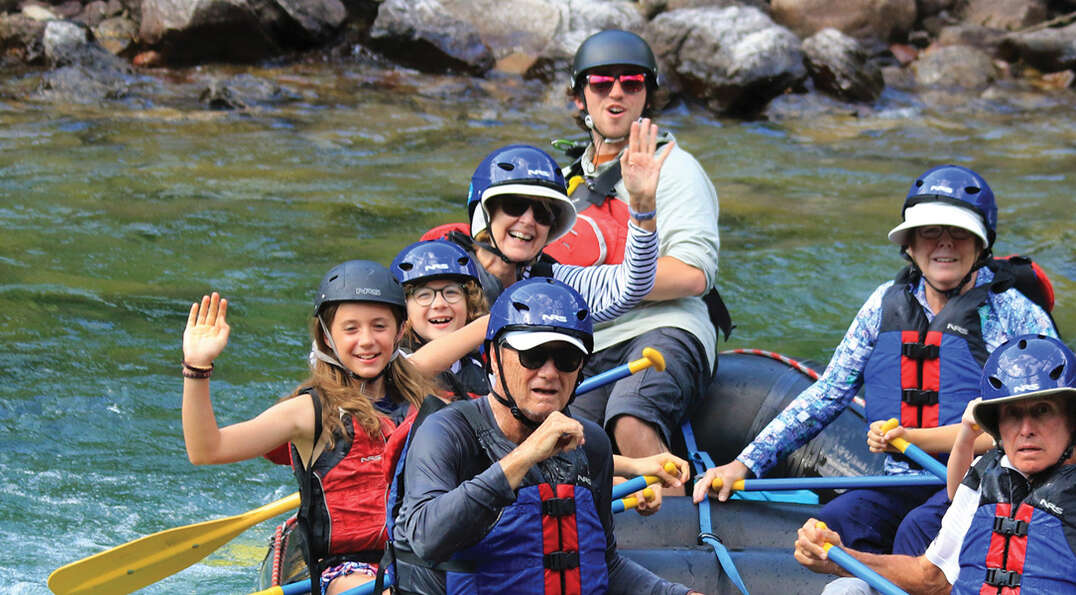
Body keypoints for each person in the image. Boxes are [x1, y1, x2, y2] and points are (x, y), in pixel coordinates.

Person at [695, 165, 1058, 557]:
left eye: (959, 233)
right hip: (901, 482)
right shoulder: (882, 305)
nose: (944, 245)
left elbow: (1040, 418)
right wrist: (745, 465)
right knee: (836, 524)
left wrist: (913, 439)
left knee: (920, 533)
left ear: (981, 244)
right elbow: (827, 395)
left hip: (985, 484)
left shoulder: (1014, 315)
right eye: (930, 232)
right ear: (910, 244)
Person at [388, 278, 698, 594]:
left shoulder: (592, 445)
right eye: (532, 356)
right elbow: (425, 540)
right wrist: (524, 456)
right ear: (494, 357)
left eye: (566, 359)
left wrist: (677, 593)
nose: (549, 373)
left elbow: (604, 564)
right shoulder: (446, 433)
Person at [180, 260, 439, 595]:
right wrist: (197, 366)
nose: (367, 341)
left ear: (400, 331)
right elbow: (206, 450)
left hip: (416, 558)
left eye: (379, 326)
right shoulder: (309, 412)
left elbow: (455, 346)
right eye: (351, 329)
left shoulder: (418, 392)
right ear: (327, 338)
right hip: (344, 569)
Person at [555, 30, 724, 490]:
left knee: (629, 422)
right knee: (562, 440)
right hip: (591, 340)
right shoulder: (568, 181)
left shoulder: (677, 169)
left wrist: (583, 288)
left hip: (666, 329)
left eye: (631, 83)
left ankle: (682, 542)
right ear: (578, 96)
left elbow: (692, 275)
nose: (616, 94)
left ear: (646, 95)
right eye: (600, 83)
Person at [792, 334, 1076, 594]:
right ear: (997, 425)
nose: (1026, 429)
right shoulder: (986, 477)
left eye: (1042, 410)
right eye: (1013, 414)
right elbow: (931, 576)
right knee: (845, 590)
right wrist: (838, 557)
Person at [391, 239, 490, 400]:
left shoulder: (485, 362)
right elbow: (411, 369)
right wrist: (491, 322)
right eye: (423, 295)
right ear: (404, 308)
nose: (439, 304)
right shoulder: (393, 357)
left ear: (469, 303)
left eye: (451, 292)